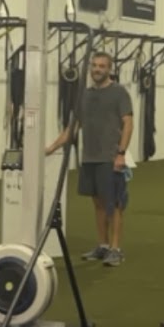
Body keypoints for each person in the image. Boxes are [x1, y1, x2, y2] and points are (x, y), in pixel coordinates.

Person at [46, 51, 133, 267]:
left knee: (114, 204)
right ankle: (103, 246)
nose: (97, 69)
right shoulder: (84, 95)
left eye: (101, 66)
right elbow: (73, 127)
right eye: (94, 66)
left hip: (110, 157)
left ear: (109, 69)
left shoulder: (119, 93)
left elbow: (128, 123)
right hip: (89, 158)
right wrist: (51, 147)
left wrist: (121, 153)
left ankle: (116, 249)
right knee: (98, 204)